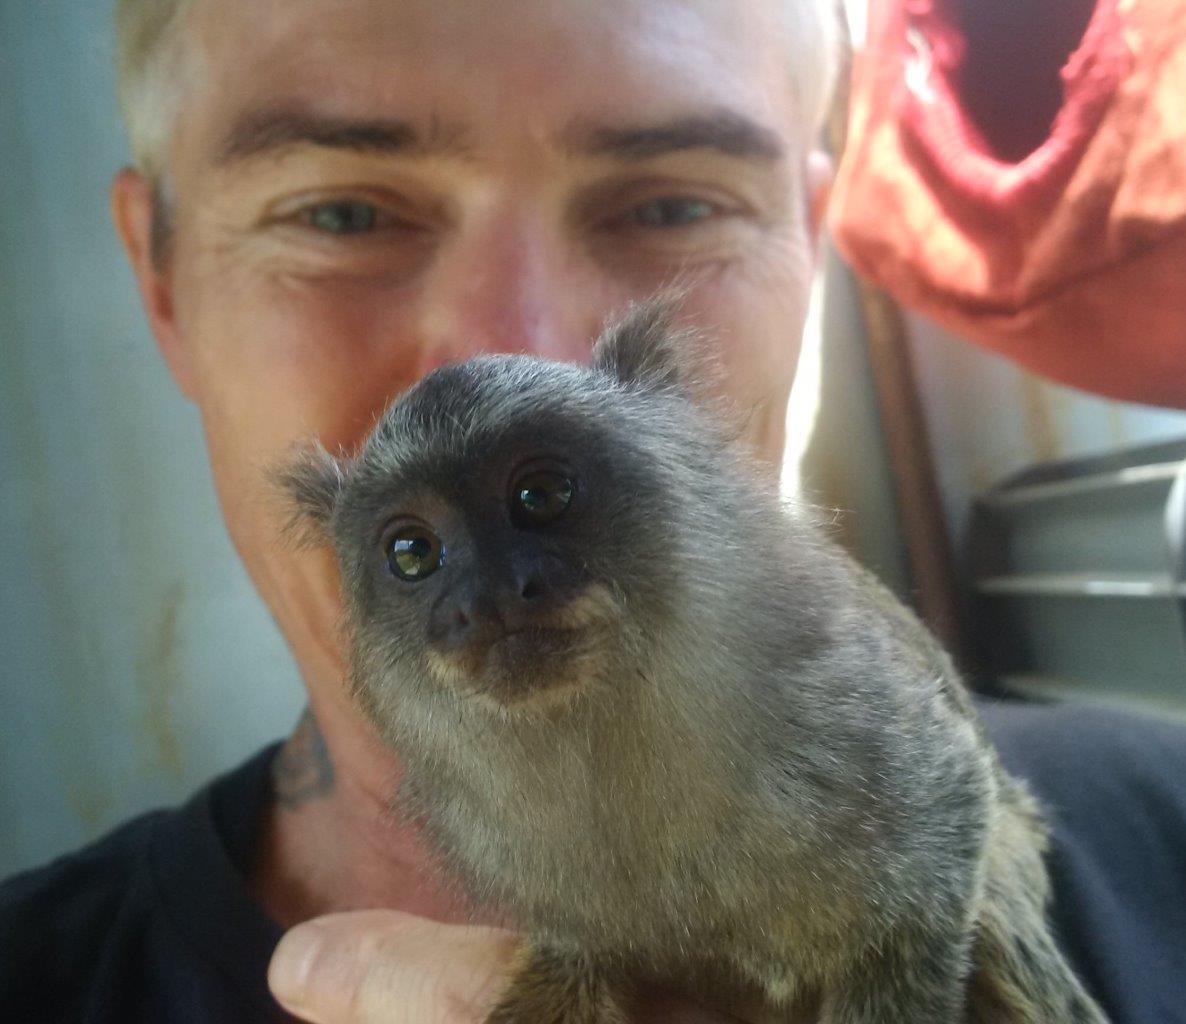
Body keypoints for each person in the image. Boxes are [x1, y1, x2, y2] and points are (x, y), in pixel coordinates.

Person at [0, 1, 1183, 1022]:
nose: (521, 340)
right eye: (343, 212)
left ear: (813, 254)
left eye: (670, 204)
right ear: (157, 282)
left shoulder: (1155, 818)